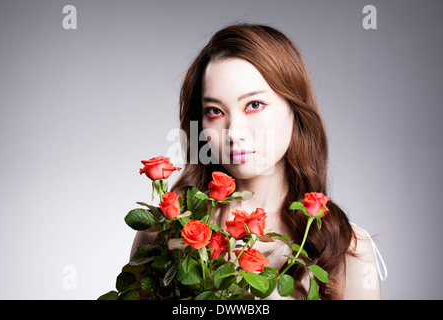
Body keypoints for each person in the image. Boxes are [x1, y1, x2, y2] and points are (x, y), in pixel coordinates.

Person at [131, 23, 387, 299]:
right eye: (215, 111)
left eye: (254, 105)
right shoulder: (164, 231)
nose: (234, 133)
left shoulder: (345, 249)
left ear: (295, 109)